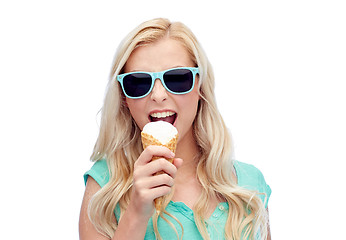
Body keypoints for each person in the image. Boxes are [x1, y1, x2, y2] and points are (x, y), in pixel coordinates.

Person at [79, 18, 271, 240]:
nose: (158, 95)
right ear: (124, 98)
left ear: (200, 87)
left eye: (177, 79)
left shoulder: (249, 185)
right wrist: (136, 212)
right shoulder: (104, 186)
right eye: (139, 82)